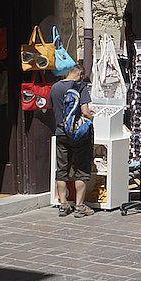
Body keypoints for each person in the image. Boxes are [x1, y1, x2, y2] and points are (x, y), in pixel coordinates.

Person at [51, 64, 95, 218]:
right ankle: (79, 206)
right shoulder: (80, 87)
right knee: (81, 170)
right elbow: (85, 111)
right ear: (80, 74)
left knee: (61, 170)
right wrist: (92, 117)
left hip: (61, 133)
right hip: (78, 135)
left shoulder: (55, 87)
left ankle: (63, 205)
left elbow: (55, 109)